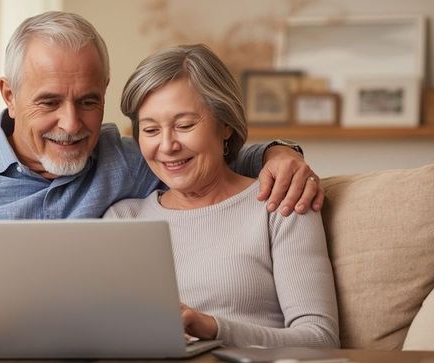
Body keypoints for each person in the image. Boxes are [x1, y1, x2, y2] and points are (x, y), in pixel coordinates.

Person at [0, 11, 323, 346]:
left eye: (89, 101)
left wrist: (278, 155)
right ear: (9, 94)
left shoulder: (127, 156)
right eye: (49, 101)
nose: (72, 124)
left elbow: (202, 162)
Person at [103, 44, 339, 348]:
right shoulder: (123, 219)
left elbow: (322, 339)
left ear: (225, 124)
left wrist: (213, 329)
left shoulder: (280, 202)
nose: (167, 145)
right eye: (150, 130)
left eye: (184, 125)